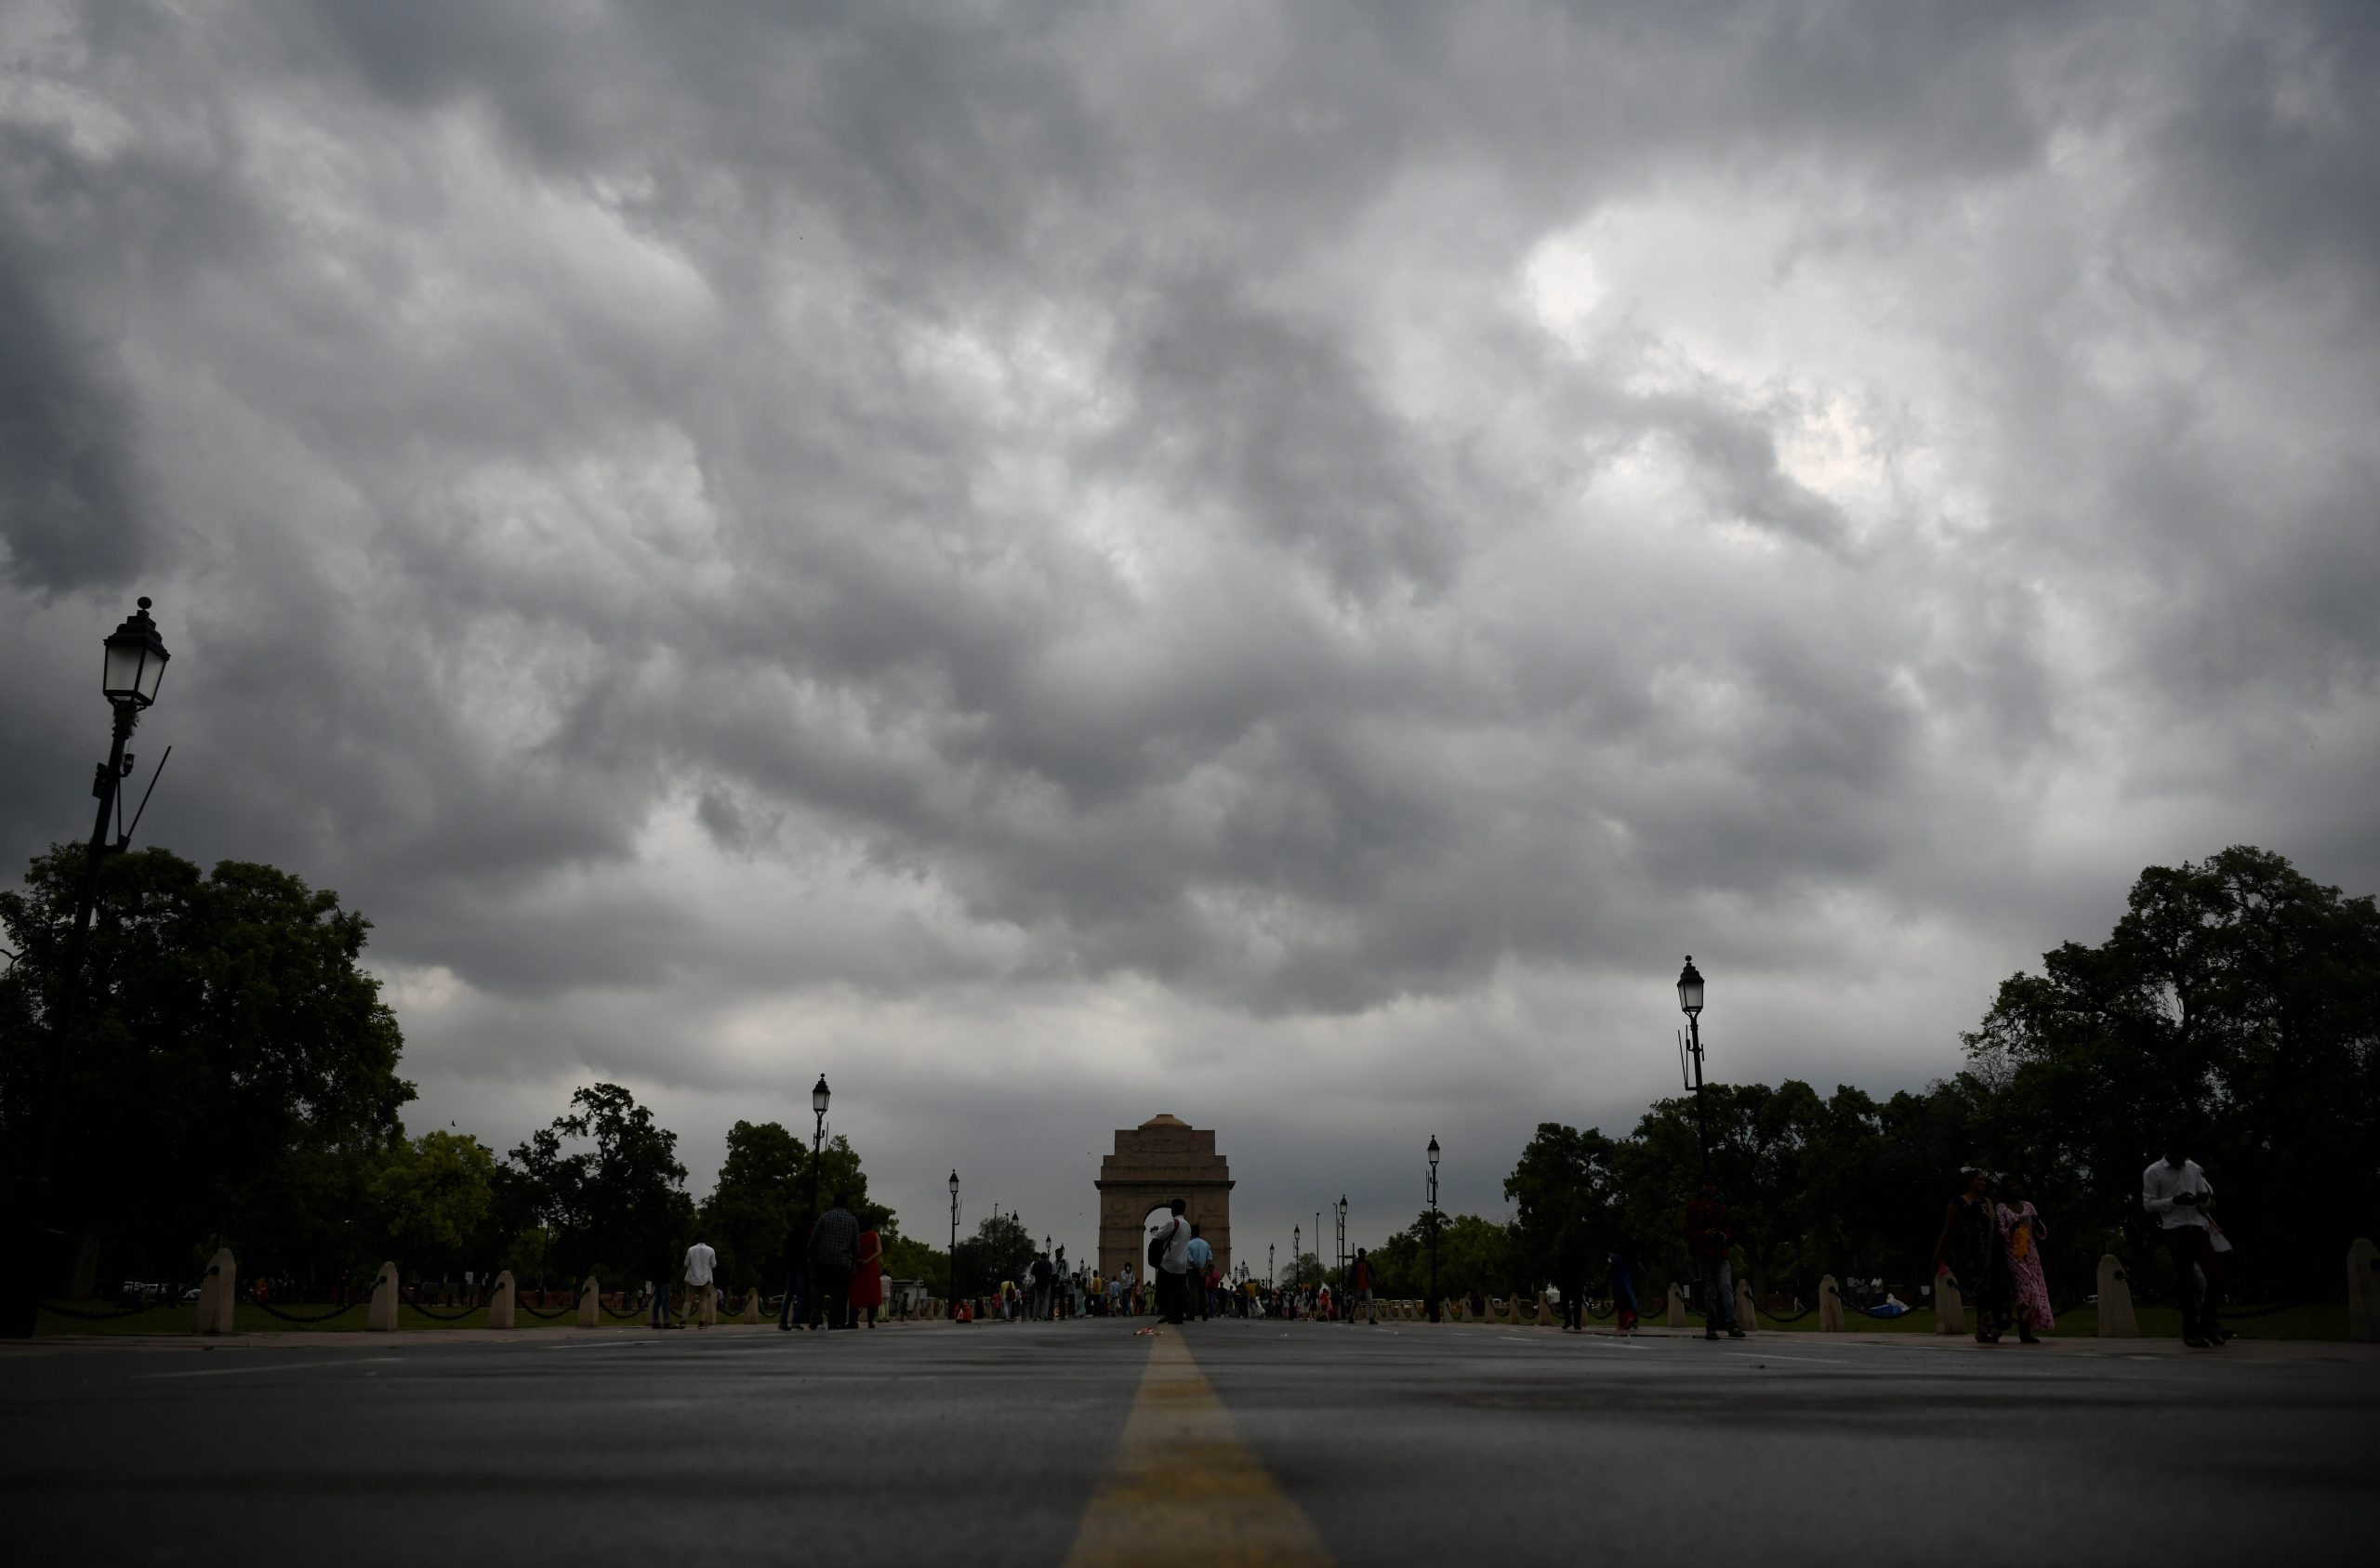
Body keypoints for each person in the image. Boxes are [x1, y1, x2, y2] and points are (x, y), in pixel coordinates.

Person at [2144, 1148, 2225, 1348]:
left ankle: (2207, 1324)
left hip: (2198, 1227)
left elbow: (2206, 1196)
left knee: (2216, 1277)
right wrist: (2174, 1201)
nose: (2182, 1159)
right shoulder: (2153, 1172)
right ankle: (2190, 1330)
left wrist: (2202, 1198)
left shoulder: (2193, 1168)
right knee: (2186, 1281)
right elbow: (2149, 1204)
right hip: (2176, 1230)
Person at [1932, 1167, 2012, 1343]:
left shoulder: (1989, 1203)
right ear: (1969, 1182)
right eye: (1978, 1180)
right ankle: (1989, 1326)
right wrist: (1939, 1251)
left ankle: (1983, 1330)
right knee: (1981, 1292)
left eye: (1984, 1180)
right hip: (1970, 1256)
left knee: (1994, 1291)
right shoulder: (1958, 1203)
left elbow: (1997, 1229)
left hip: (1992, 1254)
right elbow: (1948, 1229)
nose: (1982, 1183)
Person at [1683, 1179, 1743, 1340]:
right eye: (1707, 1185)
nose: (1709, 1188)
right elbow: (1688, 1230)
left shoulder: (1722, 1209)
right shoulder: (1694, 1208)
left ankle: (1732, 1324)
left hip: (1721, 1254)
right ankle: (1712, 1326)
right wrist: (1703, 1234)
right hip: (1704, 1254)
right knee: (1710, 1292)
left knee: (1726, 1287)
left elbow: (1729, 1230)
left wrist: (1723, 1236)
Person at [1996, 1179, 2051, 1344]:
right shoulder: (2002, 1207)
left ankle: (2028, 1327)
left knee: (2035, 1289)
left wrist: (2036, 1221)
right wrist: (2014, 1225)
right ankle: (2024, 1330)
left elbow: (2041, 1232)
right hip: (2014, 1254)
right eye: (2010, 1186)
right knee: (2024, 1289)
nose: (2014, 1189)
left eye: (2016, 1186)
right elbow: (2001, 1232)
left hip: (2030, 1253)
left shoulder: (2028, 1205)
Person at [809, 1192, 860, 1330]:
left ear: (834, 1202)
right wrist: (854, 1261)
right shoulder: (852, 1220)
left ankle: (815, 1318)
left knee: (818, 1291)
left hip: (823, 1260)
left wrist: (812, 1254)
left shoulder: (824, 1217)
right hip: (841, 1262)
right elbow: (856, 1245)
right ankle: (834, 1320)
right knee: (838, 1294)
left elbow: (814, 1238)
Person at [1153, 1200, 1192, 1324]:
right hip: (1182, 1264)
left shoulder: (1173, 1222)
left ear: (1173, 1210)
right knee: (1178, 1291)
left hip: (1169, 1262)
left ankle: (1168, 1313)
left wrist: (1153, 1230)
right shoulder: (1187, 1225)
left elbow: (1158, 1236)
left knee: (1162, 1288)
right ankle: (1178, 1317)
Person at [850, 1223, 883, 1329]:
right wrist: (868, 1260)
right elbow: (879, 1251)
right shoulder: (875, 1235)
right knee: (872, 1294)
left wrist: (858, 1260)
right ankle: (870, 1321)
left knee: (855, 1294)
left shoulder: (855, 1235)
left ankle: (853, 1321)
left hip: (857, 1268)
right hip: (871, 1268)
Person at [681, 1236, 718, 1330]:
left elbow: (686, 1264)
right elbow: (714, 1265)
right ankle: (701, 1323)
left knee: (688, 1300)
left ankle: (683, 1321)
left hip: (692, 1277)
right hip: (705, 1279)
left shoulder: (691, 1249)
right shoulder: (711, 1250)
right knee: (703, 1301)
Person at [1606, 1244, 1640, 1334]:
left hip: (1618, 1283)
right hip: (1626, 1283)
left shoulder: (1615, 1258)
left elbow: (1610, 1267)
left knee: (1621, 1304)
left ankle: (1624, 1322)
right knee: (1628, 1302)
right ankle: (1630, 1319)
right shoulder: (1628, 1260)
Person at [1184, 1225, 1214, 1321]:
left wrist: (1197, 1268)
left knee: (1193, 1291)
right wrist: (1203, 1269)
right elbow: (1209, 1258)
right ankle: (1205, 1311)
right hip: (1202, 1271)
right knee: (1203, 1291)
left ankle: (1191, 1314)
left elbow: (1190, 1259)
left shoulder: (1188, 1244)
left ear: (1191, 1233)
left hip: (1192, 1270)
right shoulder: (1206, 1244)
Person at [1350, 1247, 1378, 1324]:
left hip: (1367, 1286)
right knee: (1355, 1302)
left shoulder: (1367, 1263)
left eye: (1364, 1254)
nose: (1364, 1255)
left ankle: (1371, 1318)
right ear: (1360, 1255)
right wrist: (1351, 1286)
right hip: (1357, 1287)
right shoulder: (1355, 1264)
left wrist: (1375, 1278)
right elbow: (1351, 1276)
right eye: (1363, 1254)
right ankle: (1351, 1316)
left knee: (1370, 1301)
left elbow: (1372, 1272)